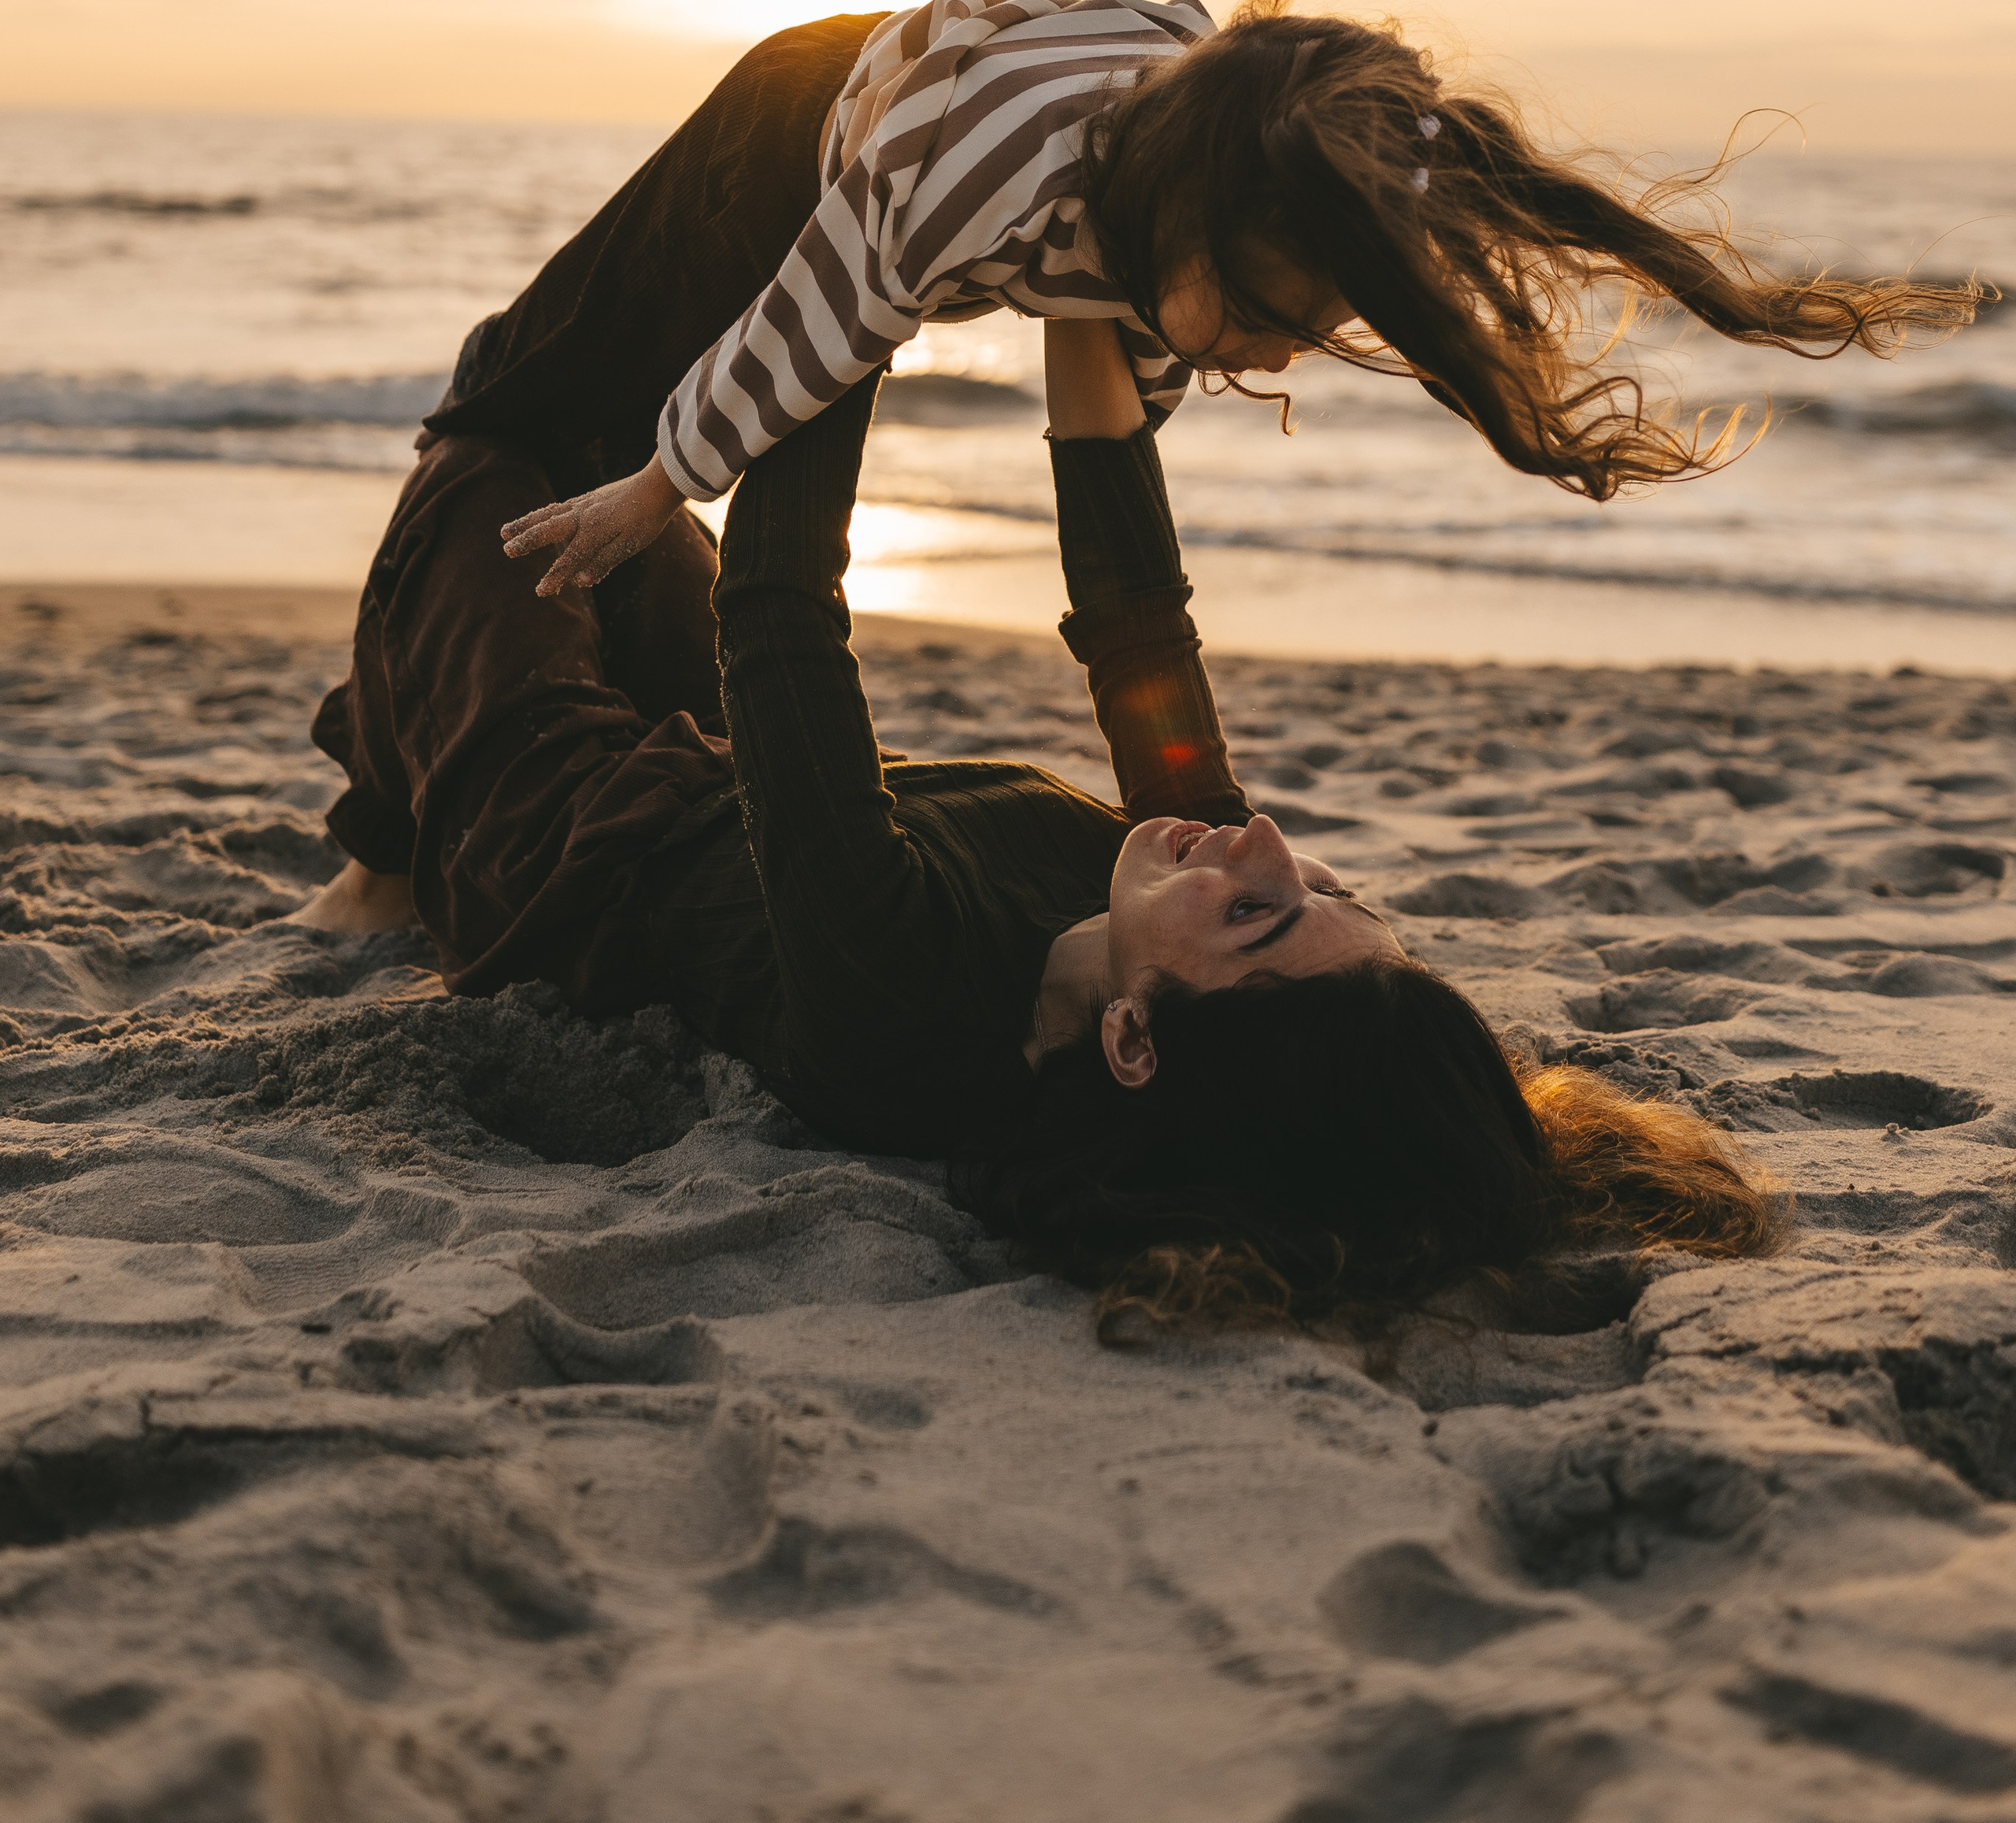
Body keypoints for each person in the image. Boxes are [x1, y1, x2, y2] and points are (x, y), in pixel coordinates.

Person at [299, 321, 1783, 1340]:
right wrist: (1082, 310)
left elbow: (785, 610)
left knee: (498, 446)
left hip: (561, 841)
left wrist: (863, 294)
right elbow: (1135, 615)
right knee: (612, 500)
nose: (1257, 840)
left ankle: (402, 840)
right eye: (1324, 885)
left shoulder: (900, 1010)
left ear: (1134, 1043)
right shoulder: (1170, 883)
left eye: (1259, 915)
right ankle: (381, 840)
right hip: (707, 769)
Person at [458, 0, 1973, 606]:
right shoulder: (981, 183)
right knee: (575, 361)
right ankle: (479, 426)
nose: (1273, 352)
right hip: (801, 124)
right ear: (1169, 217)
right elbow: (823, 316)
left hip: (1040, 181)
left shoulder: (1247, 174)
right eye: (1258, 310)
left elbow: (1107, 435)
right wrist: (661, 485)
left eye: (1304, 327)